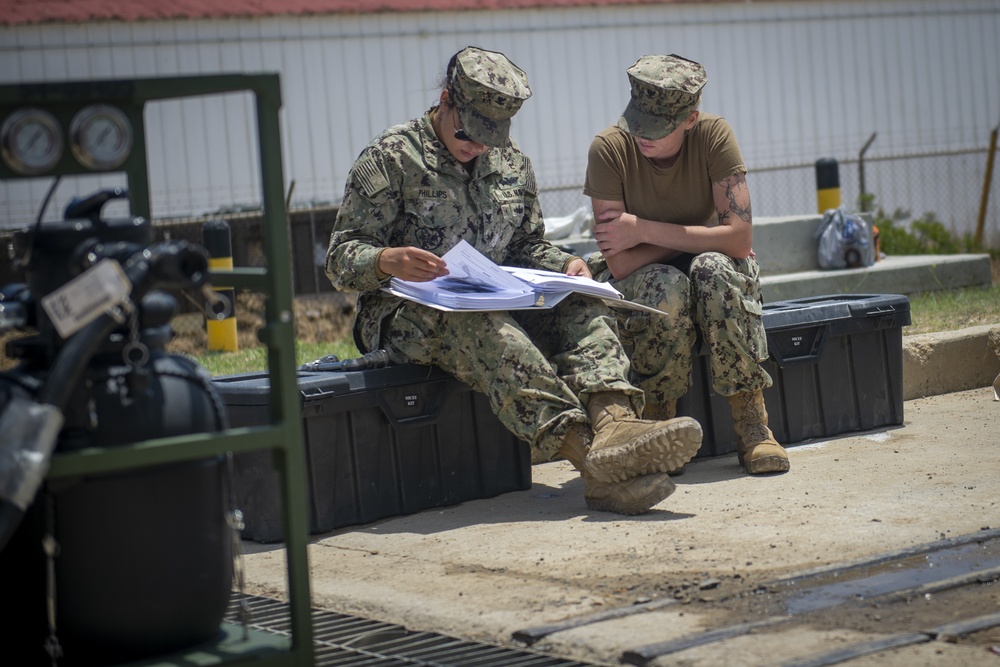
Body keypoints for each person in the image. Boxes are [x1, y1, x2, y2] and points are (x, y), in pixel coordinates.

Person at [326, 46, 703, 515]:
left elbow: (526, 244)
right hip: (408, 313)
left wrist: (565, 265)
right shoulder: (391, 159)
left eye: (490, 138)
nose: (477, 146)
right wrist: (386, 259)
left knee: (579, 305)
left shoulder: (512, 164)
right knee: (489, 333)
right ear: (445, 100)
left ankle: (615, 423)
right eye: (468, 133)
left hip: (496, 293)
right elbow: (340, 257)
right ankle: (594, 462)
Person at [583, 54, 790, 474]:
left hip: (708, 268)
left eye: (656, 129)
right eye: (637, 122)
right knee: (666, 285)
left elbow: (739, 238)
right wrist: (700, 230)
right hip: (651, 281)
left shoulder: (714, 135)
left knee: (713, 269)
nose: (642, 136)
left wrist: (642, 229)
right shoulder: (609, 149)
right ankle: (658, 422)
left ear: (690, 119)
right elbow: (621, 265)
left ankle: (752, 423)